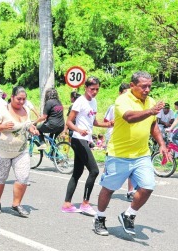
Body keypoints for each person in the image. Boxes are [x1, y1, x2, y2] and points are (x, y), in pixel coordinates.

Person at [95, 71, 169, 237]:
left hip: (142, 154)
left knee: (148, 186)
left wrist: (162, 144)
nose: (147, 89)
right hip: (118, 154)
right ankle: (99, 218)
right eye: (143, 86)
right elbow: (129, 117)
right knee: (109, 189)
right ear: (132, 85)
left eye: (150, 86)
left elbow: (153, 126)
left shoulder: (150, 102)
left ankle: (128, 214)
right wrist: (150, 111)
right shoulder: (123, 100)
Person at [61, 76, 111, 215]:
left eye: (97, 89)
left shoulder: (93, 102)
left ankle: (66, 204)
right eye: (92, 89)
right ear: (85, 88)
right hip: (78, 139)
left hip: (85, 139)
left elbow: (93, 121)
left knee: (77, 172)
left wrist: (107, 124)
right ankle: (85, 203)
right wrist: (78, 130)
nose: (94, 92)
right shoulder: (80, 102)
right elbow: (69, 122)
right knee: (94, 171)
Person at [0, 86, 40, 217]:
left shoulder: (25, 110)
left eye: (24, 99)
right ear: (12, 97)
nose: (21, 102)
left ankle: (16, 204)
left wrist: (32, 129)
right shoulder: (2, 111)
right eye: (19, 99)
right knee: (0, 178)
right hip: (2, 151)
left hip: (20, 151)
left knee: (23, 177)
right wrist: (2, 126)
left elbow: (27, 124)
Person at [104, 83, 135, 201]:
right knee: (112, 164)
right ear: (120, 93)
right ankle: (107, 187)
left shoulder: (133, 107)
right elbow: (106, 121)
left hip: (128, 138)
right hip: (113, 138)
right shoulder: (113, 107)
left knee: (131, 162)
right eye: (125, 93)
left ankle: (130, 191)